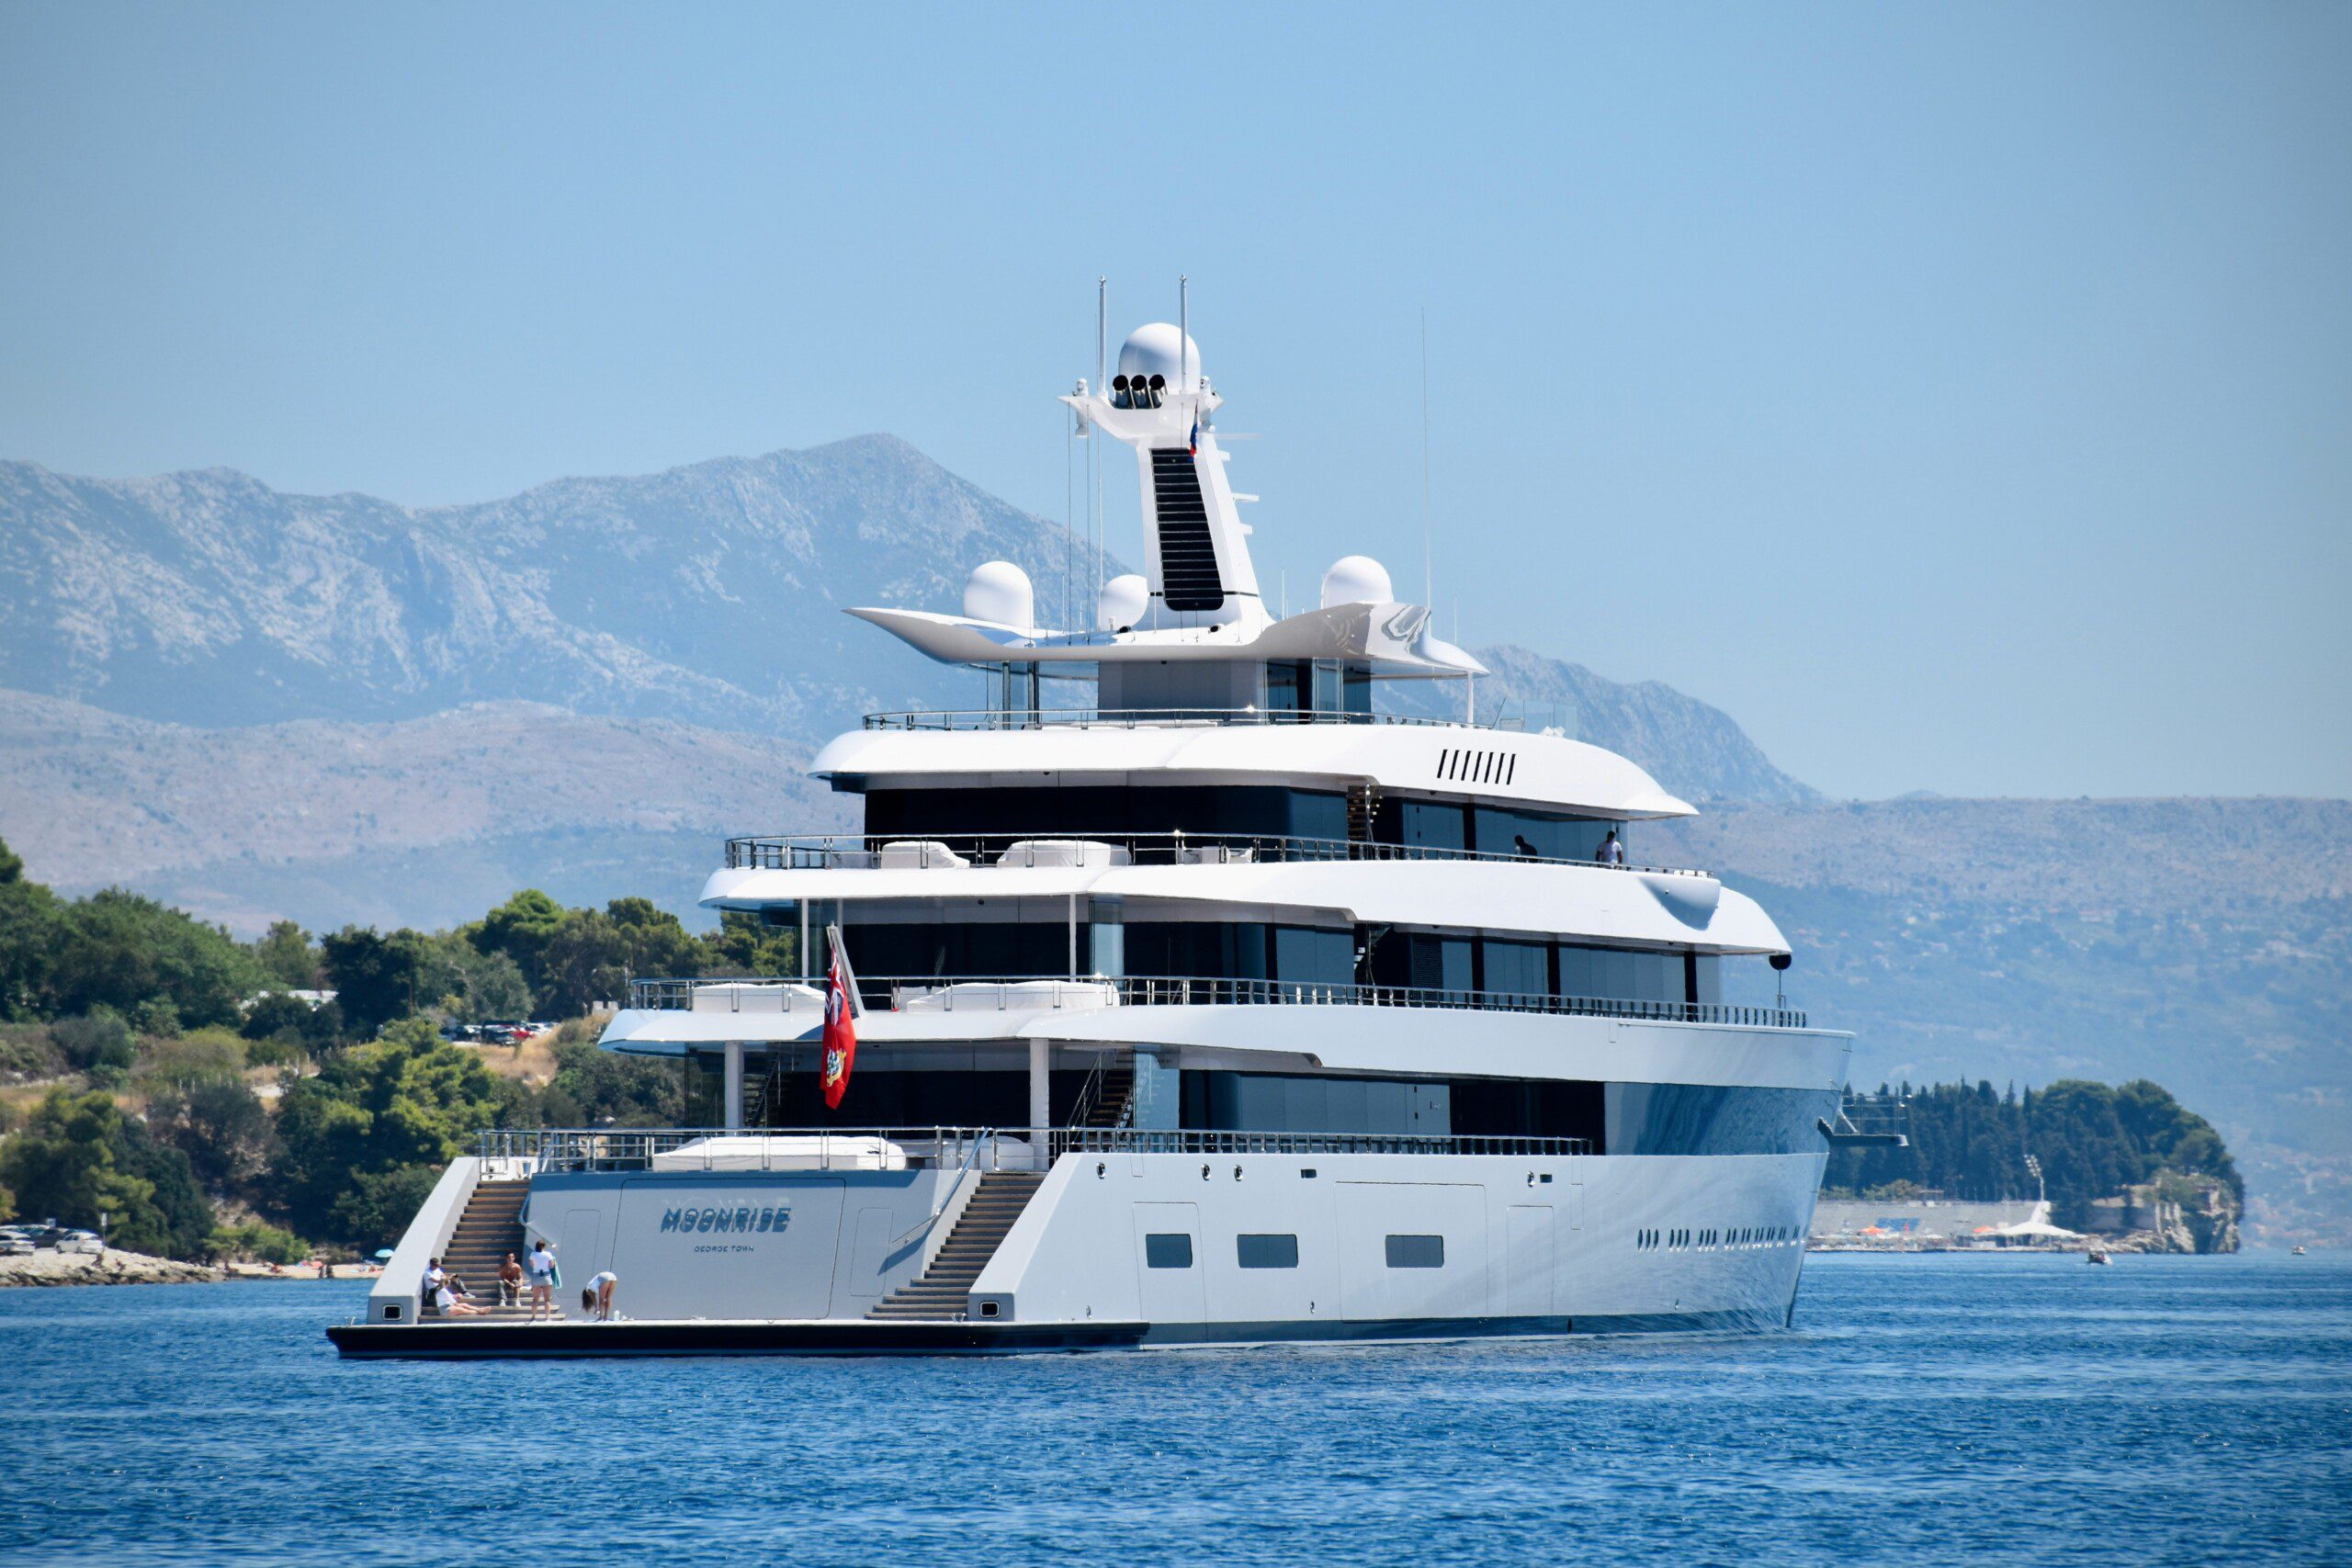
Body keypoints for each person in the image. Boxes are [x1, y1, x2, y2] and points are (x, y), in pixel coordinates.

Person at [526, 1239, 558, 1321]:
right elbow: (551, 1266)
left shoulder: (533, 1254)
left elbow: (531, 1264)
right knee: (547, 1299)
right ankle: (547, 1318)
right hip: (546, 1276)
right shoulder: (548, 1254)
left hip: (536, 1276)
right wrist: (553, 1259)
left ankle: (533, 1317)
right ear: (543, 1246)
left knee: (535, 1299)